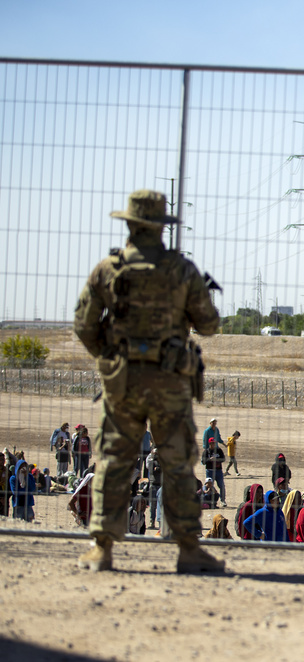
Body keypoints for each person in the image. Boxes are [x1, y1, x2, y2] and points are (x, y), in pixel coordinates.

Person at [72, 190, 223, 574]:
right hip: (170, 382)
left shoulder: (109, 269)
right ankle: (188, 547)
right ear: (161, 227)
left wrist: (110, 355)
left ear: (130, 224)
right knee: (177, 464)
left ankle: (101, 547)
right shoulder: (181, 270)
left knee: (114, 460)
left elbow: (84, 324)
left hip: (122, 381)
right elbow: (208, 324)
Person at [201, 442, 227, 508]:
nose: (213, 444)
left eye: (214, 443)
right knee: (209, 487)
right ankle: (208, 502)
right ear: (209, 444)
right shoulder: (206, 451)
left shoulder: (219, 450)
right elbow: (203, 462)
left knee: (221, 486)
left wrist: (217, 459)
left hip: (218, 471)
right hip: (209, 471)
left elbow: (223, 459)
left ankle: (223, 501)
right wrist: (209, 459)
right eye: (212, 443)